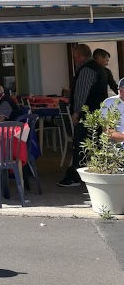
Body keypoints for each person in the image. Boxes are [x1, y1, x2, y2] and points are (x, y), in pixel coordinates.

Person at [59, 43, 109, 187]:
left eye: (75, 57)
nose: (74, 60)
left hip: (88, 115)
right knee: (93, 145)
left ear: (80, 56)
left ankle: (75, 177)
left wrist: (76, 111)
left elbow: (82, 92)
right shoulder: (99, 69)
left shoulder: (87, 69)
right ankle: (92, 174)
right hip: (97, 114)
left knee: (81, 145)